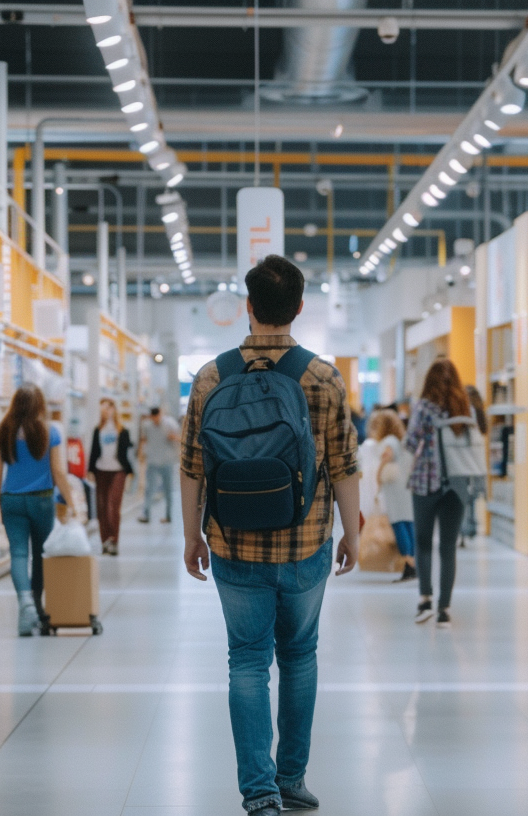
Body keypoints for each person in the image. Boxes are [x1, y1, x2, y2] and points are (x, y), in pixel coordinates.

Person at [180, 255, 360, 816]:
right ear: (300, 308)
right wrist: (352, 532)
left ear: (249, 307)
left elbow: (192, 466)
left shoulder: (212, 376)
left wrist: (192, 536)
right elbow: (344, 466)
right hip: (306, 543)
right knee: (300, 656)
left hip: (233, 543)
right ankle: (292, 779)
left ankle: (259, 794)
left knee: (246, 661)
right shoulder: (323, 376)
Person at [0, 384, 77, 637]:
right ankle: (38, 609)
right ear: (40, 405)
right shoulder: (50, 431)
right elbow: (59, 471)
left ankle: (25, 605)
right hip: (41, 500)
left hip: (11, 501)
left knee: (18, 554)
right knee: (40, 555)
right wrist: (71, 501)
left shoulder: (3, 431)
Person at [404, 359, 474, 629]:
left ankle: (425, 600)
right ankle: (444, 609)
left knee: (423, 543)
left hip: (425, 482)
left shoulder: (423, 407)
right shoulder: (463, 407)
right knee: (448, 547)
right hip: (457, 483)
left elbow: (411, 441)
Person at [369, 409, 416, 582]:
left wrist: (378, 477)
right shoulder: (400, 441)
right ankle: (412, 563)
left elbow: (386, 457)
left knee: (398, 523)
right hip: (404, 488)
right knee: (408, 524)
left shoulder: (388, 441)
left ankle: (409, 563)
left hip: (394, 490)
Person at [89, 398, 133, 555]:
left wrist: (130, 471)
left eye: (108, 408)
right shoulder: (98, 430)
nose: (106, 411)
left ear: (114, 409)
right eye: (103, 408)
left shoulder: (122, 431)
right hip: (101, 470)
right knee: (101, 506)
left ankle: (114, 540)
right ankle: (105, 540)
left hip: (118, 470)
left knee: (113, 505)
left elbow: (127, 452)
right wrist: (90, 470)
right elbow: (94, 451)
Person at [456, 384, 490, 547]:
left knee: (463, 500)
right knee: (471, 500)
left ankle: (465, 530)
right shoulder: (480, 413)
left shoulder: (467, 413)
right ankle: (469, 529)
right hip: (478, 464)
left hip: (465, 463)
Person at [136, 407, 180, 524]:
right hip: (153, 461)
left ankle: (168, 515)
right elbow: (144, 439)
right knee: (150, 488)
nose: (155, 420)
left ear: (160, 414)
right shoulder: (147, 425)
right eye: (153, 418)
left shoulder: (170, 423)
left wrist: (173, 438)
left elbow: (180, 438)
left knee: (168, 489)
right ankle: (146, 514)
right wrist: (141, 453)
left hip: (167, 461)